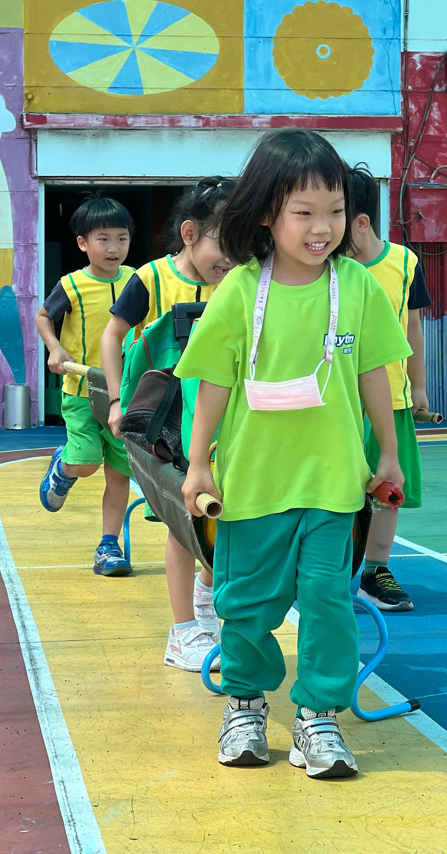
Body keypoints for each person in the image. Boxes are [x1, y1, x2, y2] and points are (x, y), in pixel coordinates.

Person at [175, 129, 409, 779]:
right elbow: (213, 382)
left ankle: (318, 717)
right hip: (252, 483)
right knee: (247, 604)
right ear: (266, 213)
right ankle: (245, 705)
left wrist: (388, 454)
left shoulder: (357, 287)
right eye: (304, 212)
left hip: (334, 481)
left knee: (328, 602)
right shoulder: (239, 290)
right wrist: (198, 464)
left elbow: (375, 373)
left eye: (335, 210)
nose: (322, 227)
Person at [100, 178, 235, 672]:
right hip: (169, 421)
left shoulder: (240, 282)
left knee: (223, 517)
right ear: (190, 233)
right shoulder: (152, 279)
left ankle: (204, 595)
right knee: (183, 523)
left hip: (222, 416)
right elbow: (112, 335)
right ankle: (182, 632)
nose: (232, 258)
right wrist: (117, 399)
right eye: (224, 243)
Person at [35, 195, 136, 577]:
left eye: (122, 238)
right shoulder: (72, 285)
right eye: (103, 239)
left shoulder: (137, 280)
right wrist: (55, 347)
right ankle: (64, 467)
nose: (114, 248)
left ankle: (108, 546)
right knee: (86, 464)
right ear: (82, 242)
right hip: (80, 392)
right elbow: (43, 316)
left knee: (119, 473)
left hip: (124, 395)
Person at [346, 162, 430, 612]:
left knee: (387, 490)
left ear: (360, 222)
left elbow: (413, 326)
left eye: (333, 215)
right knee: (337, 491)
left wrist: (419, 387)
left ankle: (375, 571)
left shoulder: (405, 262)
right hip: (337, 401)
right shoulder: (325, 267)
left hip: (391, 397)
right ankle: (328, 568)